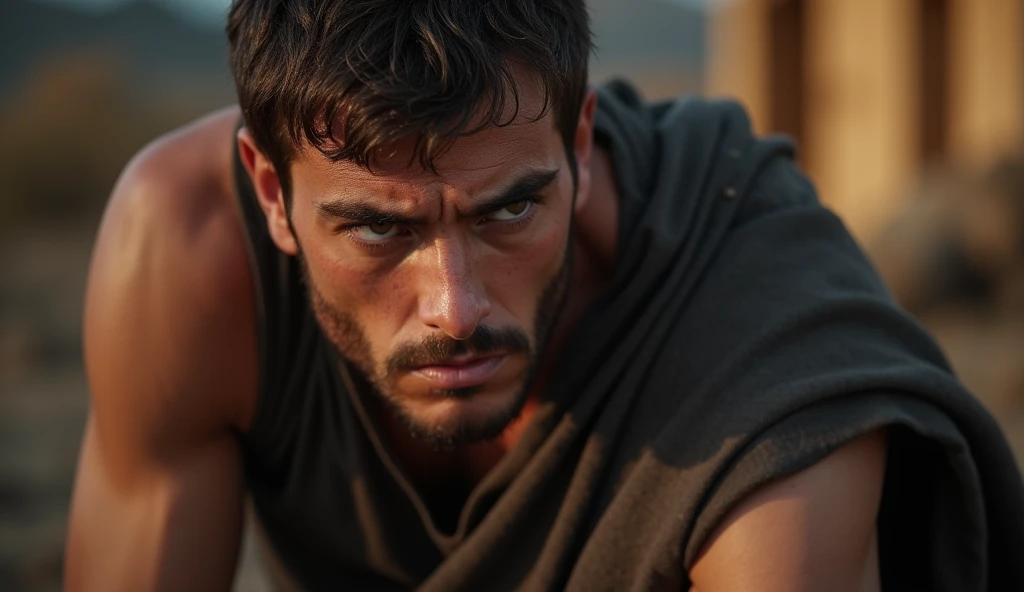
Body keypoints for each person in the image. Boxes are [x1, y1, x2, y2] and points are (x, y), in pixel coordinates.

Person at [65, 1, 1024, 590]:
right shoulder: (189, 255)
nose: (457, 306)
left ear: (577, 143)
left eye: (510, 209)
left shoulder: (773, 363)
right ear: (272, 192)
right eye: (379, 229)